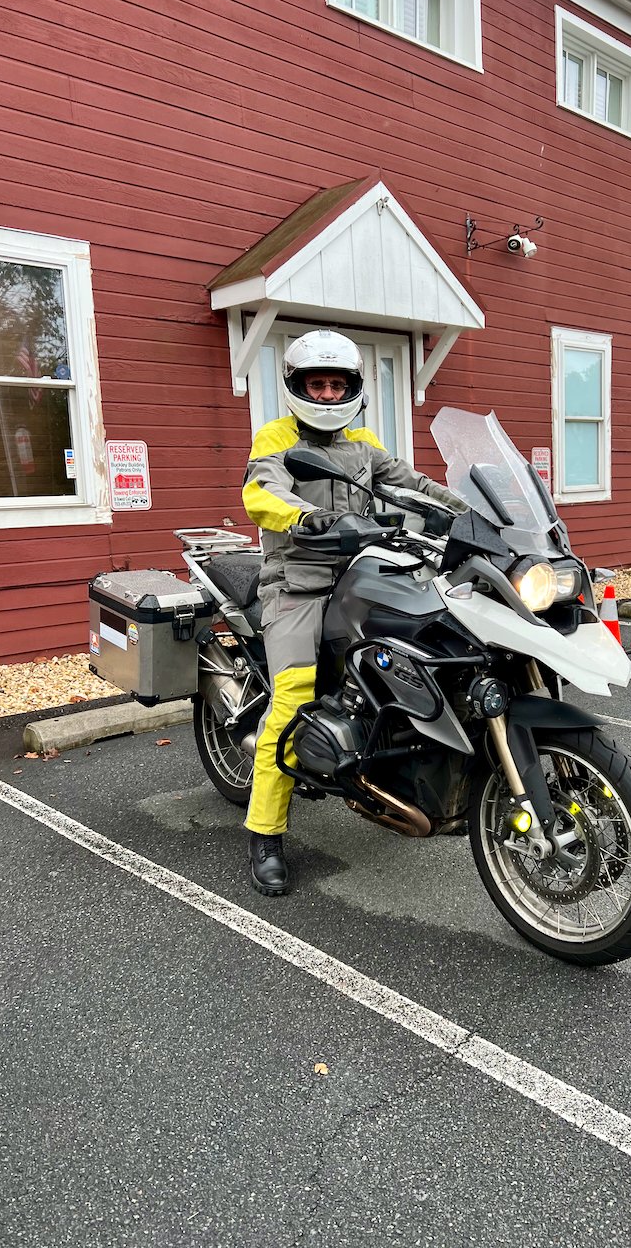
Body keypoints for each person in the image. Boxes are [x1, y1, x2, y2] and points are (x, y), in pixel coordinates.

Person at [241, 329, 466, 896]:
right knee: (292, 696)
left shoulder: (364, 444)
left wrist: (469, 513)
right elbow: (263, 490)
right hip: (297, 584)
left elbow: (412, 484)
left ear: (352, 389)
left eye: (335, 385)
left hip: (364, 574)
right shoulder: (277, 436)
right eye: (315, 384)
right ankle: (265, 833)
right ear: (296, 387)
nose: (325, 394)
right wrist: (306, 517)